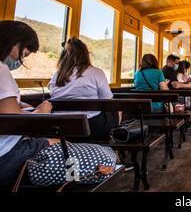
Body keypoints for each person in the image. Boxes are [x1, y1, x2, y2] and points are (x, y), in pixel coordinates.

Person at [0, 20, 56, 186]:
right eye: (23, 54)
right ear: (13, 42)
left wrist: (20, 105)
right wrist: (42, 113)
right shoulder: (1, 70)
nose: (20, 61)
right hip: (5, 156)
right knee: (62, 145)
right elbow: (13, 124)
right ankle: (71, 182)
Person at [48, 37, 119, 141]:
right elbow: (108, 101)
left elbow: (52, 93)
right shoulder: (96, 72)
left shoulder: (56, 75)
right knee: (117, 111)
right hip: (90, 127)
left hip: (60, 127)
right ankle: (115, 140)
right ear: (85, 55)